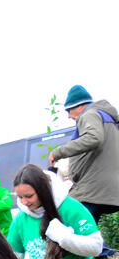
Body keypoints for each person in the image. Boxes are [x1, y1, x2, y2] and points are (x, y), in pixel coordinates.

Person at [48, 85, 119, 222]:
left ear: (79, 106)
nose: (69, 116)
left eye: (69, 110)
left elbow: (93, 138)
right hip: (106, 187)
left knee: (66, 220)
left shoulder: (89, 114)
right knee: (88, 233)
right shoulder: (106, 118)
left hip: (93, 189)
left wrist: (58, 152)